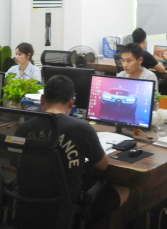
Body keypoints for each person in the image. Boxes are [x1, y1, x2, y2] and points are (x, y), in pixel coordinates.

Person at [15, 75, 128, 227]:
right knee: (123, 190)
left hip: (27, 209)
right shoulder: (82, 128)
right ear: (71, 102)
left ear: (42, 100)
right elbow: (102, 165)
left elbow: (16, 162)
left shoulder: (23, 128)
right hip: (64, 213)